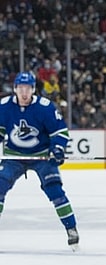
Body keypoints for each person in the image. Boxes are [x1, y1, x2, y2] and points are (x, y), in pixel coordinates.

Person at [0, 71, 78, 250]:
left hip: (41, 156)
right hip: (14, 156)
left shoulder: (45, 107)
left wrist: (57, 149)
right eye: (21, 88)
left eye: (28, 88)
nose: (24, 92)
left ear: (34, 90)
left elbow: (60, 132)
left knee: (55, 190)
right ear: (15, 89)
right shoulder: (4, 107)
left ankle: (71, 229)